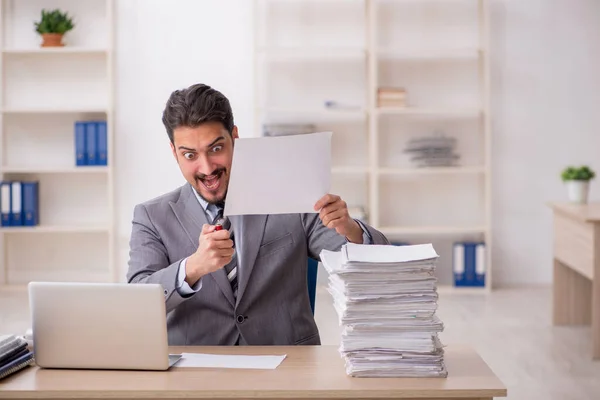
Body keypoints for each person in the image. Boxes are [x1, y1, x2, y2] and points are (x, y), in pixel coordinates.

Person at [126, 83, 390, 346]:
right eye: (190, 155)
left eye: (216, 149)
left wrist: (350, 228)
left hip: (287, 366)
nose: (206, 168)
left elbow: (380, 268)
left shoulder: (292, 197)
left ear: (235, 138)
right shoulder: (152, 217)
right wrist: (193, 267)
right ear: (174, 152)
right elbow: (137, 304)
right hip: (196, 371)